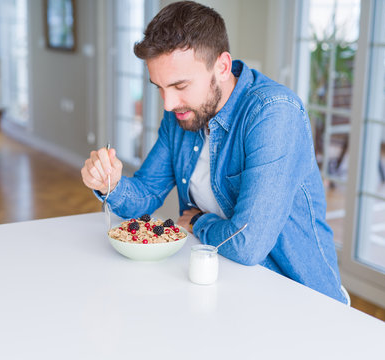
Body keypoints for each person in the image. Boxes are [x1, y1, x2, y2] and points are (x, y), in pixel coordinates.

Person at [81, 1, 347, 304]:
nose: (168, 104)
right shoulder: (181, 113)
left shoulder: (273, 114)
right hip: (222, 285)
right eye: (159, 87)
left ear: (221, 66)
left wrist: (197, 222)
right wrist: (109, 183)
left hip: (298, 299)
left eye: (180, 85)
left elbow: (247, 245)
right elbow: (146, 194)